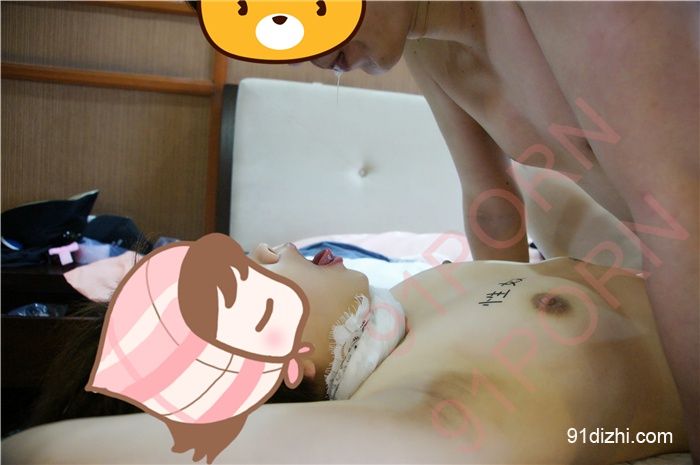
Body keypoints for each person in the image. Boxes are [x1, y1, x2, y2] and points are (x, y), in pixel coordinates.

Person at [306, 2, 699, 458]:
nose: (307, 53)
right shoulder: (427, 47)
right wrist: (505, 305)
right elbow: (490, 201)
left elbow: (678, 215)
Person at [2, 229, 689, 463]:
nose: (275, 245)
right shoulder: (429, 402)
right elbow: (44, 454)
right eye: (249, 270)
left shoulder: (409, 302)